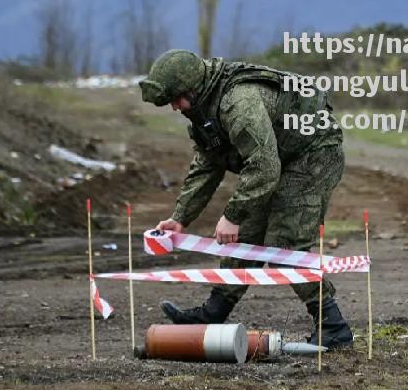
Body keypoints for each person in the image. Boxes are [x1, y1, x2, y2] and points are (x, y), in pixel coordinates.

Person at [139, 49, 354, 349]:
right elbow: (206, 165)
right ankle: (213, 313)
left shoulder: (238, 102)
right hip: (280, 156)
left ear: (193, 88)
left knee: (285, 243)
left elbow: (264, 167)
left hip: (313, 154)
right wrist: (180, 217)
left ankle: (333, 326)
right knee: (247, 238)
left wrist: (233, 214)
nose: (174, 107)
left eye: (176, 98)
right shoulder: (204, 109)